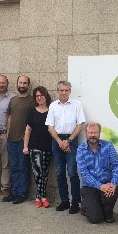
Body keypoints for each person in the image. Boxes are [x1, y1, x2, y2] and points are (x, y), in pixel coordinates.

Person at [46, 80, 86, 213]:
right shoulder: (53, 106)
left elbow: (80, 124)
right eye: (61, 90)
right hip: (56, 140)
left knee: (72, 172)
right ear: (57, 91)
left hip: (72, 140)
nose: (64, 93)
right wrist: (59, 141)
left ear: (69, 91)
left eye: (66, 90)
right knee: (59, 172)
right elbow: (50, 126)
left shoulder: (77, 105)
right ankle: (64, 201)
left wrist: (68, 141)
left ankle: (75, 202)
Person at [76, 122, 118, 224]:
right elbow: (84, 173)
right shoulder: (80, 150)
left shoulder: (108, 146)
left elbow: (117, 166)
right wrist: (100, 186)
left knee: (111, 193)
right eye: (90, 132)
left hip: (107, 184)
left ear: (99, 133)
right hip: (89, 186)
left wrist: (113, 184)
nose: (93, 135)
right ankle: (87, 205)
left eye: (95, 132)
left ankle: (108, 213)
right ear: (86, 134)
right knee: (95, 219)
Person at [5, 74, 34, 204]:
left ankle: (21, 194)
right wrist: (8, 133)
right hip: (11, 139)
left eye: (24, 83)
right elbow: (10, 117)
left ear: (28, 85)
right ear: (17, 84)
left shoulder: (32, 101)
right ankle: (14, 191)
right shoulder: (13, 100)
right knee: (14, 167)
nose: (22, 85)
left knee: (23, 168)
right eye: (20, 83)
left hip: (23, 140)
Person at [24, 86, 53, 208]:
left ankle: (38, 196)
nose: (39, 98)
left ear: (46, 96)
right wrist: (25, 146)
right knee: (37, 172)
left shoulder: (52, 111)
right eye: (37, 96)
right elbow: (28, 129)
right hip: (34, 147)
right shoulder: (32, 112)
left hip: (48, 146)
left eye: (41, 95)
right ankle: (43, 197)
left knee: (44, 173)